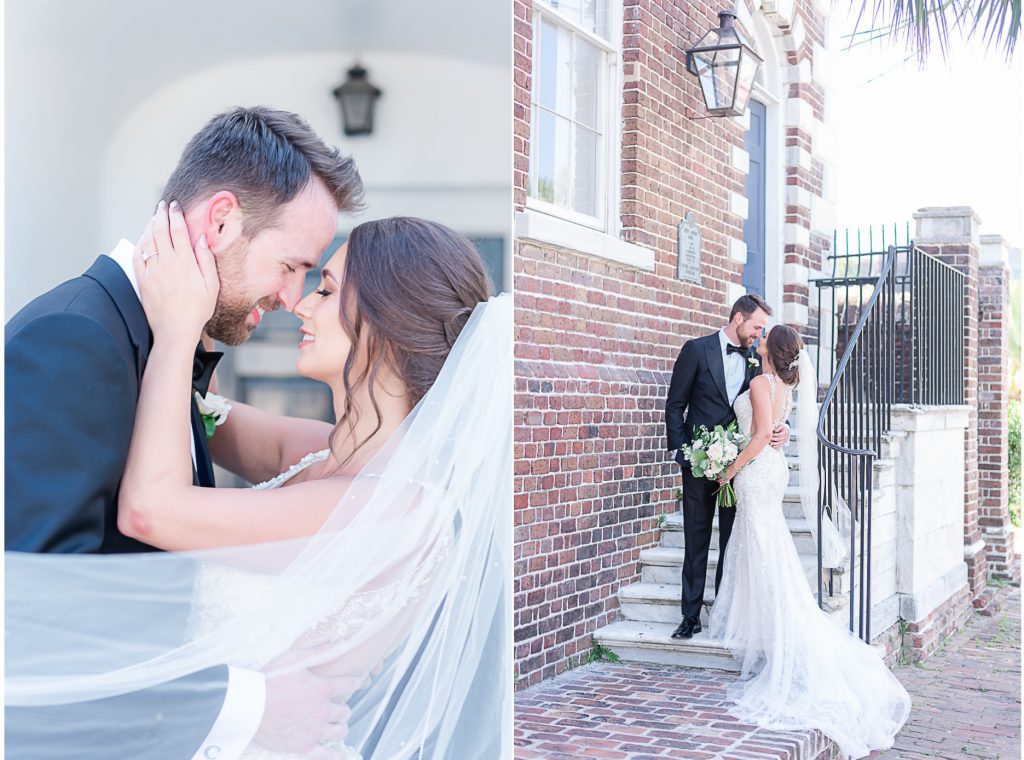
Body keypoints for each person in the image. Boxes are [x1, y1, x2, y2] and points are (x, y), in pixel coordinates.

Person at [7, 209, 512, 759]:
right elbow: (208, 415)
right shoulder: (318, 450)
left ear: (388, 323)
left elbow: (151, 511)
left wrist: (176, 332)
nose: (298, 304)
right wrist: (198, 305)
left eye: (325, 290)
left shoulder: (398, 510)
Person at [5, 106, 363, 758]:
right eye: (291, 265)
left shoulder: (158, 346)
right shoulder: (74, 338)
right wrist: (246, 707)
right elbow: (39, 620)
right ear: (221, 221)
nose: (291, 297)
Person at [709, 324, 911, 758]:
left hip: (758, 471)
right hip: (768, 469)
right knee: (767, 556)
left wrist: (730, 467)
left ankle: (782, 648)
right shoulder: (780, 384)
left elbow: (763, 433)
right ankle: (771, 645)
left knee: (766, 558)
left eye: (764, 336)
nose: (757, 338)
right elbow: (772, 430)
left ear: (772, 350)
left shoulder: (763, 382)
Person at [664, 294, 790, 640]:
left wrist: (784, 429)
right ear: (737, 318)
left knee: (734, 541)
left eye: (762, 329)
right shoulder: (696, 350)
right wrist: (682, 451)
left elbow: (772, 405)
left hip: (742, 468)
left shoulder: (758, 361)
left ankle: (724, 611)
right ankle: (689, 616)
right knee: (696, 538)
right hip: (700, 464)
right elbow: (675, 405)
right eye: (756, 327)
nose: (759, 335)